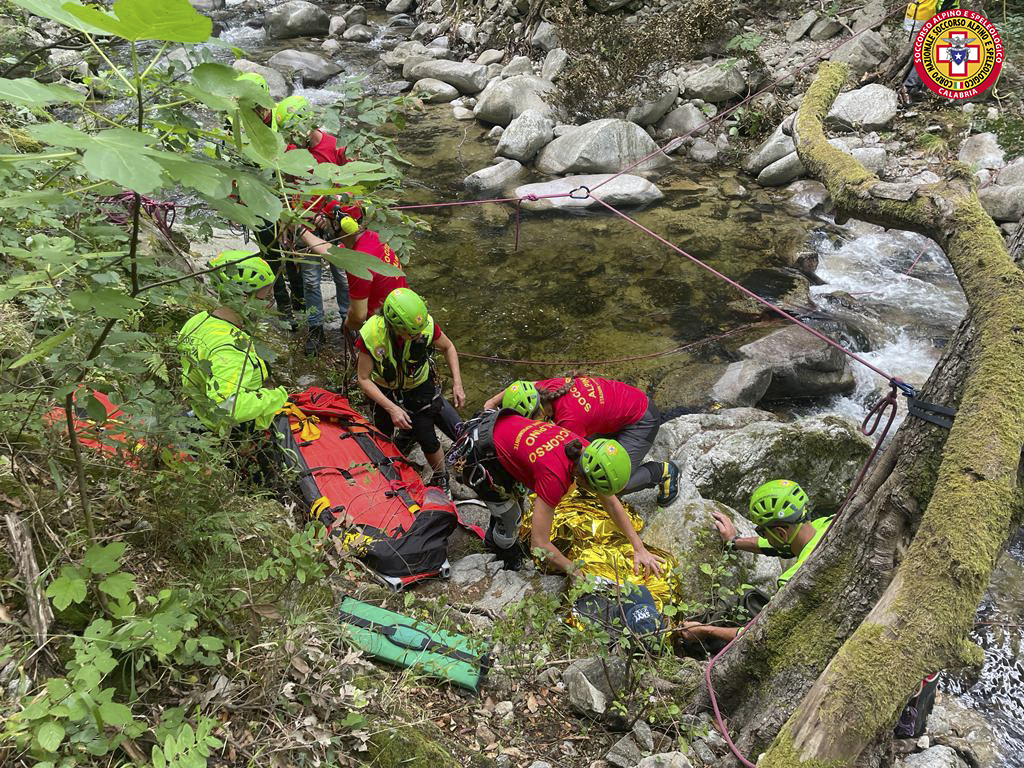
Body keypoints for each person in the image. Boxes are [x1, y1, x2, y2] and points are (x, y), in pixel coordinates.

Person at [451, 408, 665, 576]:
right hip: (480, 454)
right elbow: (539, 545)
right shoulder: (555, 478)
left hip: (500, 429)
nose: (598, 495)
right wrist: (574, 570)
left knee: (518, 498)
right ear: (584, 479)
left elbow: (611, 503)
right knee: (511, 518)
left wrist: (639, 547)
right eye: (596, 489)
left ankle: (501, 525)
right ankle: (501, 548)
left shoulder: (583, 448)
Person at [677, 479, 830, 646]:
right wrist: (734, 542)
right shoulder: (828, 524)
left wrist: (705, 630)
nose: (763, 537)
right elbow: (777, 546)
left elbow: (761, 633)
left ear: (781, 533)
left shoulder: (794, 580)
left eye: (762, 531)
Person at [483, 377, 681, 506]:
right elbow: (523, 384)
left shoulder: (569, 421)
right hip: (624, 405)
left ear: (540, 412)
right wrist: (492, 403)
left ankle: (663, 472)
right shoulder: (547, 389)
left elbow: (562, 462)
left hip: (641, 420)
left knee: (609, 480)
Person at [355, 288, 465, 492]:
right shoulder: (371, 335)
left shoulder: (423, 326)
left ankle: (441, 477)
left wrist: (457, 383)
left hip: (418, 385)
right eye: (411, 334)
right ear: (394, 326)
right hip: (384, 389)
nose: (418, 336)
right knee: (383, 432)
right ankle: (389, 465)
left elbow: (448, 347)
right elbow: (363, 378)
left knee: (427, 436)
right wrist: (391, 408)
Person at [177, 251, 288, 434]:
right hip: (231, 432)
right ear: (244, 297)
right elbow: (230, 407)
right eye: (265, 298)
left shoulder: (198, 321)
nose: (267, 305)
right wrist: (278, 397)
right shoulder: (231, 348)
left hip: (202, 410)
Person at [275, 95, 352, 356]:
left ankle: (347, 322)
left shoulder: (334, 147)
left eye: (296, 133)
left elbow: (350, 185)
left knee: (342, 275)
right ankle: (316, 327)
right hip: (304, 223)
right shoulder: (289, 152)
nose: (292, 139)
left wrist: (331, 211)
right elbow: (286, 187)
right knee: (310, 280)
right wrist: (291, 218)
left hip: (334, 222)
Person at [231, 73, 306, 331]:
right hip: (258, 204)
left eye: (258, 107)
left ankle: (301, 303)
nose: (256, 112)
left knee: (295, 256)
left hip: (287, 201)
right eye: (250, 108)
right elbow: (236, 170)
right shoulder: (240, 128)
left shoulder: (282, 124)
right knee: (271, 257)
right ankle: (285, 308)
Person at [299, 214, 409, 334]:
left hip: (384, 327)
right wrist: (300, 229)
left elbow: (358, 317)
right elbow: (331, 251)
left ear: (337, 224)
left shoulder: (357, 264)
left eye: (326, 219)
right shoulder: (373, 237)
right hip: (402, 311)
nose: (323, 223)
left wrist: (347, 324)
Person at [900, 0, 960, 105]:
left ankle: (915, 88)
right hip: (925, 18)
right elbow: (941, 5)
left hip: (918, 16)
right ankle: (909, 87)